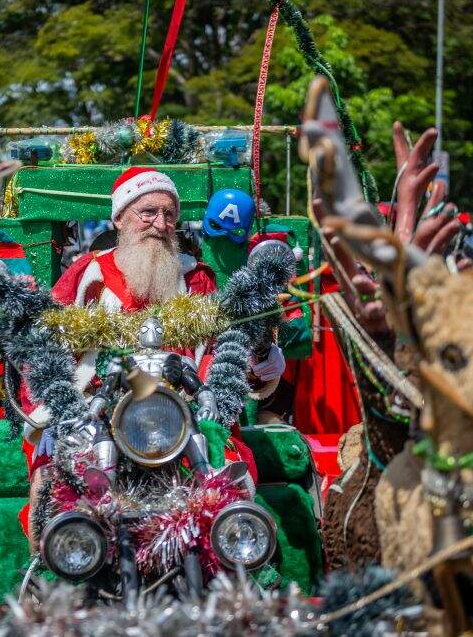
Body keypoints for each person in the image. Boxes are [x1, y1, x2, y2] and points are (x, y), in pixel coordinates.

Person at [26, 167, 284, 542]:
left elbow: (221, 352)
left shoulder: (198, 280)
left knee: (230, 474)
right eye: (147, 212)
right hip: (97, 409)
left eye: (169, 215)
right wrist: (57, 411)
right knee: (54, 483)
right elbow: (46, 348)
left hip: (184, 409)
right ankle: (53, 573)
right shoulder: (88, 274)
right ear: (119, 218)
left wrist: (258, 365)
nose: (159, 223)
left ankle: (236, 560)